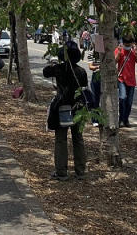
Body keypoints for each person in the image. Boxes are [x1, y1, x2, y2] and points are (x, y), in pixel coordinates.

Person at [43, 41, 88, 180]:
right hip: (78, 108)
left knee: (61, 140)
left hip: (63, 108)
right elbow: (85, 88)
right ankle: (80, 171)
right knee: (78, 139)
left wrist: (53, 63)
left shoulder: (59, 69)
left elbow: (46, 72)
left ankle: (61, 171)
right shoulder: (81, 71)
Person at [114, 35, 137, 128]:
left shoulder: (133, 52)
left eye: (129, 44)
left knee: (129, 102)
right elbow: (115, 61)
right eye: (126, 44)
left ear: (132, 44)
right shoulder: (119, 50)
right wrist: (118, 52)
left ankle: (126, 119)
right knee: (122, 99)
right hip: (121, 79)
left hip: (131, 80)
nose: (127, 46)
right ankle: (121, 119)